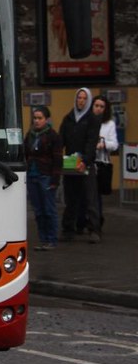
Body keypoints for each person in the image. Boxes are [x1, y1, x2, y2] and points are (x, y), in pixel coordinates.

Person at [59, 88, 102, 243]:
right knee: (71, 199)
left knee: (90, 199)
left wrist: (85, 161)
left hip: (86, 164)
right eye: (79, 97)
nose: (81, 100)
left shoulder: (92, 119)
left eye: (84, 98)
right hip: (70, 164)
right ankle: (68, 229)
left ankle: (94, 230)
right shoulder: (68, 118)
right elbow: (61, 139)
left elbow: (91, 142)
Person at [25, 106, 63, 250]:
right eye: (35, 118)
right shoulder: (30, 134)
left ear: (47, 120)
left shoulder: (53, 136)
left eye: (40, 118)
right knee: (38, 210)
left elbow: (58, 159)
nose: (36, 121)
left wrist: (55, 180)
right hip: (32, 175)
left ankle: (51, 239)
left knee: (49, 209)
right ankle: (43, 239)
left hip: (46, 175)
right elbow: (26, 152)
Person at [92, 95, 119, 228]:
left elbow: (114, 145)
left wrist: (103, 144)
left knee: (97, 195)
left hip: (101, 162)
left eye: (101, 106)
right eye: (96, 105)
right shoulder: (87, 121)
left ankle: (97, 222)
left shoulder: (109, 124)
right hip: (87, 161)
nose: (98, 109)